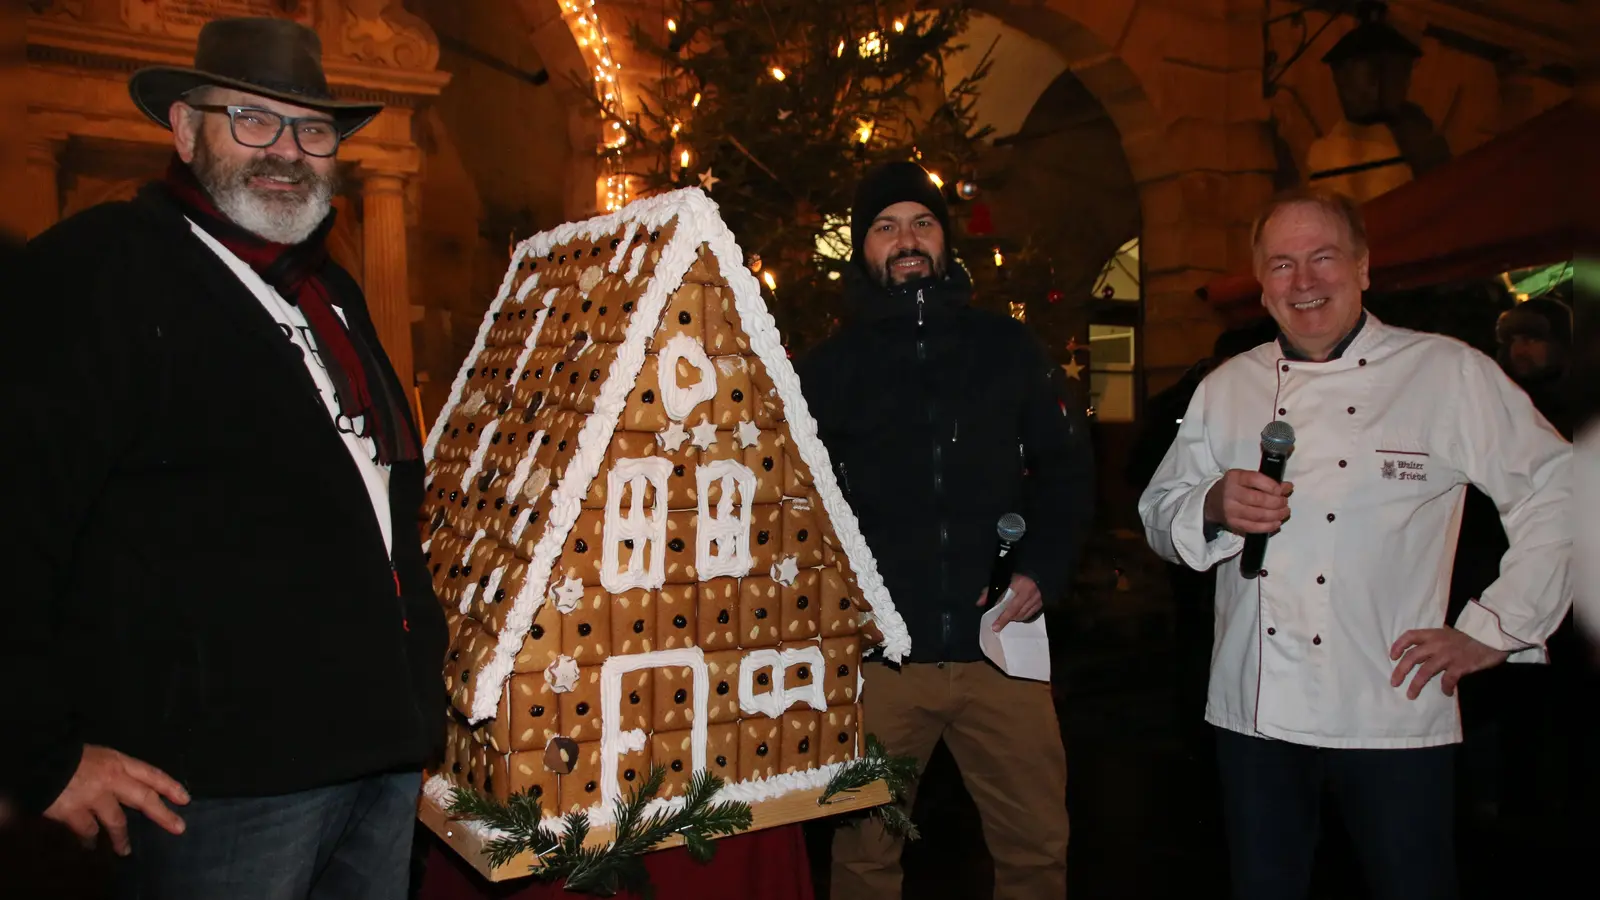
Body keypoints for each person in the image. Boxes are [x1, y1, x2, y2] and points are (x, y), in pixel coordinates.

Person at [2, 17, 446, 899]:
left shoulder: (328, 290)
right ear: (182, 126)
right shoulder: (95, 275)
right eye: (252, 118)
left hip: (378, 758)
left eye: (312, 130)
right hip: (218, 791)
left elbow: (372, 495)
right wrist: (38, 755)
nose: (287, 150)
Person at [1138, 189, 1571, 900]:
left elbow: (1559, 488)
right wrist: (1212, 504)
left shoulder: (1445, 373)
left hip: (1391, 705)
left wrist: (1498, 628)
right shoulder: (1227, 387)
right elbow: (1159, 511)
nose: (1303, 282)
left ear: (1364, 268)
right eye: (1281, 264)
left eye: (1322, 258)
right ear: (1261, 281)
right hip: (1256, 713)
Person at [798, 161, 1095, 900]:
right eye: (886, 226)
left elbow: (1065, 470)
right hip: (880, 665)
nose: (907, 240)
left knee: (1035, 850)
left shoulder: (1008, 350)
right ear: (863, 248)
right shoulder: (827, 370)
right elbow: (796, 505)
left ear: (944, 240)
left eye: (922, 223)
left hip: (1002, 643)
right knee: (863, 860)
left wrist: (1040, 570)